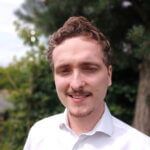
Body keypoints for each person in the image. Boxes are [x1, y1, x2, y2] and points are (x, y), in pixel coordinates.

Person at [23, 16, 150, 150]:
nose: (76, 84)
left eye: (89, 69)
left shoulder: (140, 146)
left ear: (109, 75)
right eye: (64, 70)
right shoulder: (38, 135)